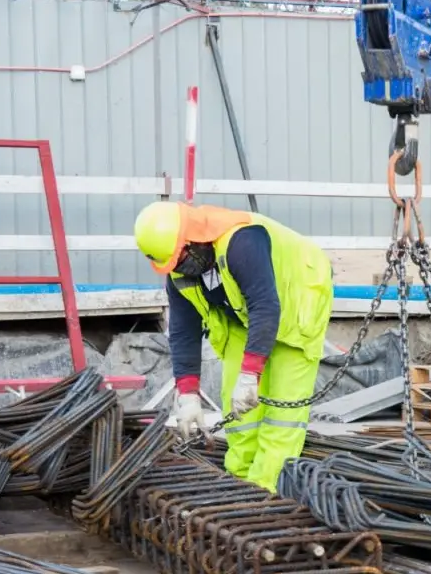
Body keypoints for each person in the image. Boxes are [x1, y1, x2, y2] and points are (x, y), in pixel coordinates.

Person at [133, 201, 333, 492]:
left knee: (282, 412)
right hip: (243, 316)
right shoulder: (180, 274)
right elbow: (182, 330)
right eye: (174, 263)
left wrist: (251, 374)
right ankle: (239, 479)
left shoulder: (242, 241)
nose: (181, 268)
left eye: (183, 258)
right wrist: (187, 393)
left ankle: (267, 488)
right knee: (237, 406)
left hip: (299, 300)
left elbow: (266, 306)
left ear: (196, 237)